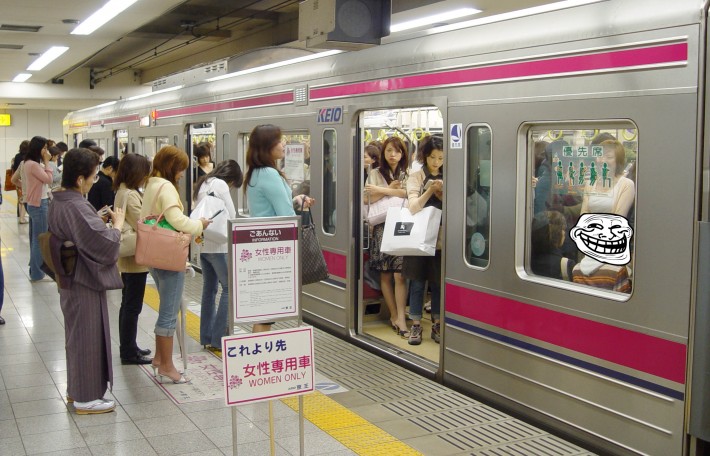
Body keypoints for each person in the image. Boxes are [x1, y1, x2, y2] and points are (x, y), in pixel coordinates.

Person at [49, 147, 125, 414]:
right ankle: (86, 398)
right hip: (83, 280)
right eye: (93, 177)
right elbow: (102, 244)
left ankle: (76, 390)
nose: (94, 181)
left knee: (76, 335)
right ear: (80, 179)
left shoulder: (59, 199)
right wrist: (116, 226)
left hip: (70, 278)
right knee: (87, 336)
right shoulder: (76, 205)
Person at [141, 145, 210, 383]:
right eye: (180, 169)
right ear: (172, 167)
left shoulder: (151, 184)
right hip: (169, 256)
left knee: (165, 307)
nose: (181, 174)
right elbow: (176, 219)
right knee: (169, 313)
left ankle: (159, 358)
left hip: (155, 253)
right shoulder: (166, 186)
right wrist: (200, 224)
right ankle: (169, 366)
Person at [243, 124, 314, 332]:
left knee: (265, 313)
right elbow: (285, 215)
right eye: (279, 141)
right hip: (275, 249)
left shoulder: (256, 172)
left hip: (264, 245)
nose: (284, 144)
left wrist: (295, 199)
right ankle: (260, 358)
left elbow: (270, 208)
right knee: (267, 315)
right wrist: (294, 209)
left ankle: (259, 356)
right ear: (267, 146)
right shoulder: (269, 173)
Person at [193, 159, 243, 349]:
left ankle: (206, 337)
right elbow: (232, 214)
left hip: (204, 245)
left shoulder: (204, 182)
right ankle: (219, 339)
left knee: (209, 289)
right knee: (229, 289)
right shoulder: (221, 184)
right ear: (231, 178)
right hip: (219, 247)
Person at [364, 136, 409, 337]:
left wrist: (383, 191)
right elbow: (368, 198)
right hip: (381, 227)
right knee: (385, 273)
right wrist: (391, 191)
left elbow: (409, 194)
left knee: (400, 274)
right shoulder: (374, 173)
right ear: (383, 152)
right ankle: (393, 314)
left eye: (397, 151)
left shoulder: (407, 173)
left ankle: (401, 316)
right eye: (389, 150)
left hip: (401, 225)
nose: (393, 155)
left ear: (403, 154)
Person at [403, 135, 444, 345]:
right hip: (418, 238)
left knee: (438, 283)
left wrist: (443, 193)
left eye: (441, 158)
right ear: (425, 157)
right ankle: (416, 325)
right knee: (418, 283)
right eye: (433, 157)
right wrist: (430, 190)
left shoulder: (450, 176)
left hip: (440, 239)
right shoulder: (416, 176)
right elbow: (413, 207)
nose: (437, 162)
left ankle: (437, 323)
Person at [114, 154, 153, 365]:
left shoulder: (122, 190)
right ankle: (128, 351)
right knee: (132, 306)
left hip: (129, 260)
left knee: (127, 304)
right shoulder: (129, 194)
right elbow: (143, 221)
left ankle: (129, 346)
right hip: (135, 259)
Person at [23, 136, 53, 282]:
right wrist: (47, 162)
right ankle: (37, 273)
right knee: (39, 240)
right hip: (39, 204)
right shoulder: (34, 165)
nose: (46, 151)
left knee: (35, 239)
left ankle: (35, 271)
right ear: (38, 148)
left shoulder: (28, 163)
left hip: (34, 203)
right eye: (44, 148)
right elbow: (49, 179)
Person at [531, 211, 576, 280]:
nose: (564, 233)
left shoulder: (528, 261)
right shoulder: (566, 265)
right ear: (557, 234)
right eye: (563, 229)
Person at [11, 140, 29, 223]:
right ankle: (22, 217)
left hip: (18, 180)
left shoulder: (17, 156)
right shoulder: (29, 157)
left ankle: (20, 216)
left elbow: (14, 169)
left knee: (20, 198)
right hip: (27, 180)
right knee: (25, 198)